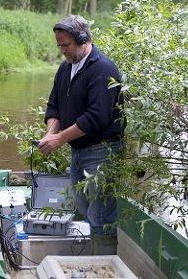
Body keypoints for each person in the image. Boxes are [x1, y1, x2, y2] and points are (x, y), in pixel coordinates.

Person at [36, 15, 126, 255]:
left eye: (66, 45)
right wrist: (50, 134)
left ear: (83, 39)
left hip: (103, 152)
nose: (63, 50)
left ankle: (104, 265)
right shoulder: (65, 68)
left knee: (102, 216)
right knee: (84, 206)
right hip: (79, 150)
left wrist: (60, 139)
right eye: (60, 45)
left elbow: (96, 117)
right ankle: (94, 258)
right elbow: (54, 105)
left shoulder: (103, 69)